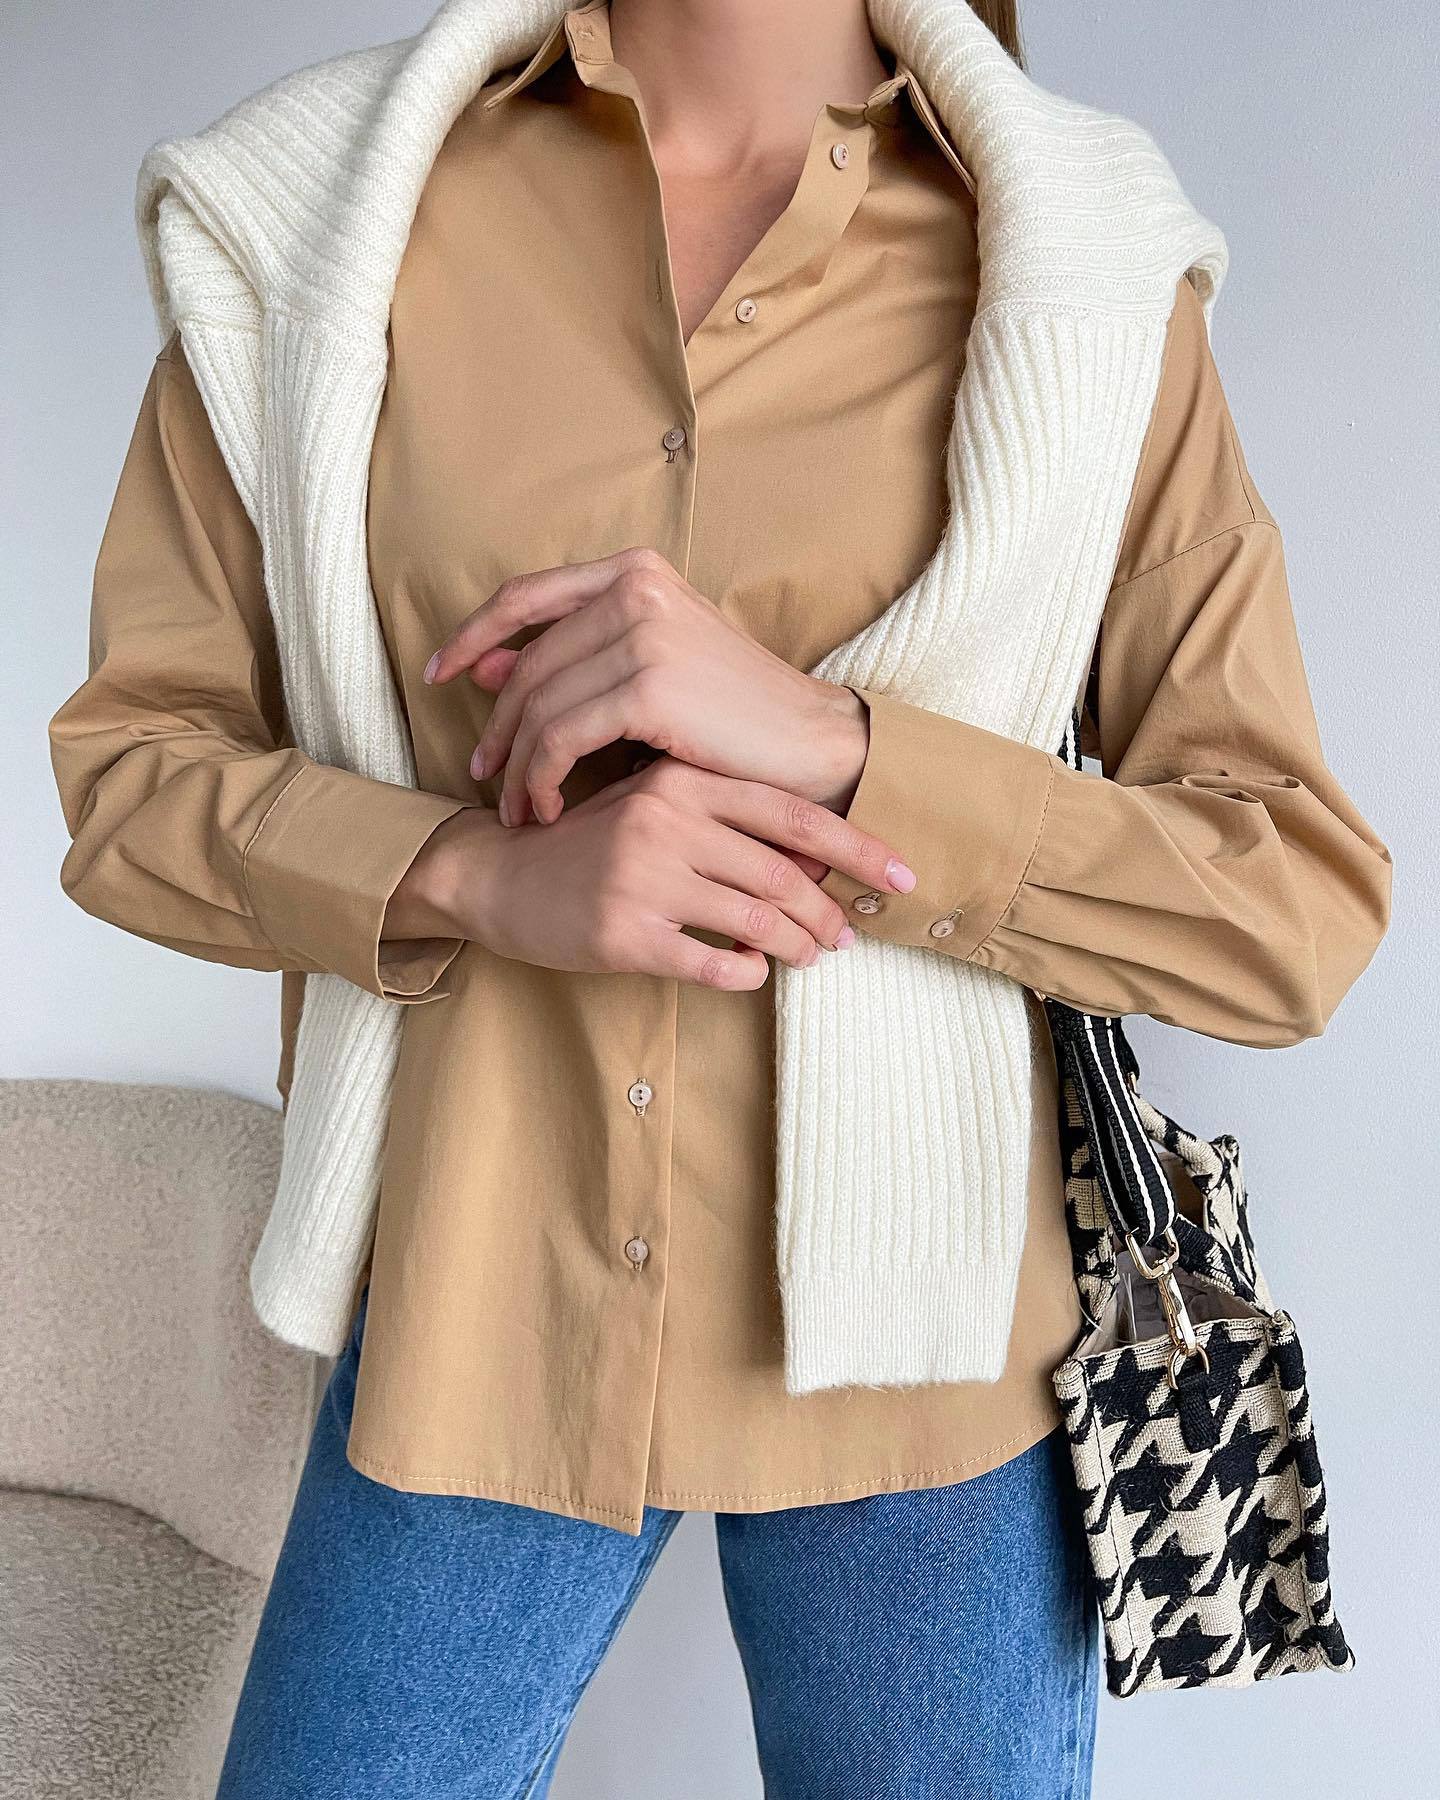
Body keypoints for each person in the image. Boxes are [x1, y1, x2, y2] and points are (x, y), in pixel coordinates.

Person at [49, 0, 1391, 1793]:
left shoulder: (1085, 253)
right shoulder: (311, 213)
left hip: (937, 1379)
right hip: (480, 1314)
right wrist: (474, 876)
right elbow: (132, 772)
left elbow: (1289, 900)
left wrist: (841, 749)